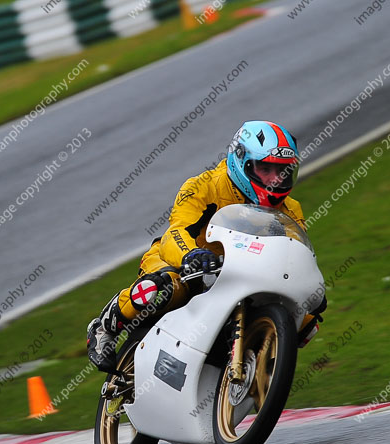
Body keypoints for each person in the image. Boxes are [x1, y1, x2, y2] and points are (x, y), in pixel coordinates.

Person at [87, 120, 325, 372]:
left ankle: (255, 378)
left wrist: (309, 288)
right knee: (162, 289)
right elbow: (176, 230)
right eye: (267, 170)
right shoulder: (203, 187)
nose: (276, 181)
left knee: (304, 324)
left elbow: (296, 252)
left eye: (284, 172)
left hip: (243, 275)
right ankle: (106, 326)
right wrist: (191, 254)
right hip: (182, 263)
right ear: (241, 159)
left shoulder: (291, 209)